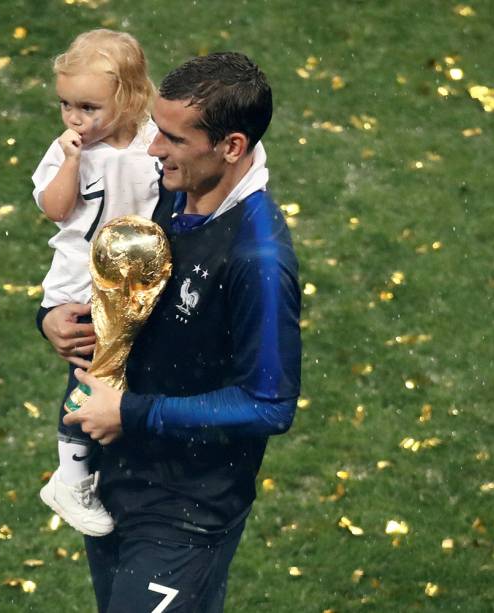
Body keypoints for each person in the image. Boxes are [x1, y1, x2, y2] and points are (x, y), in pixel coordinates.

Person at [38, 52, 301, 612]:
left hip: (186, 512)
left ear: (231, 147)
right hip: (115, 483)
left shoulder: (256, 256)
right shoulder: (169, 188)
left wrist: (129, 412)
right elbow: (99, 272)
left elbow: (269, 404)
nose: (154, 149)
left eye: (174, 139)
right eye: (156, 131)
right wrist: (51, 320)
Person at [31, 29, 160, 537]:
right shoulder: (73, 151)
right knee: (89, 374)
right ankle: (72, 476)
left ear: (129, 97)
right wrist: (69, 160)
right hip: (81, 285)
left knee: (121, 375)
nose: (74, 119)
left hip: (134, 281)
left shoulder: (154, 141)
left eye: (88, 106)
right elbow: (55, 209)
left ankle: (109, 461)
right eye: (66, 105)